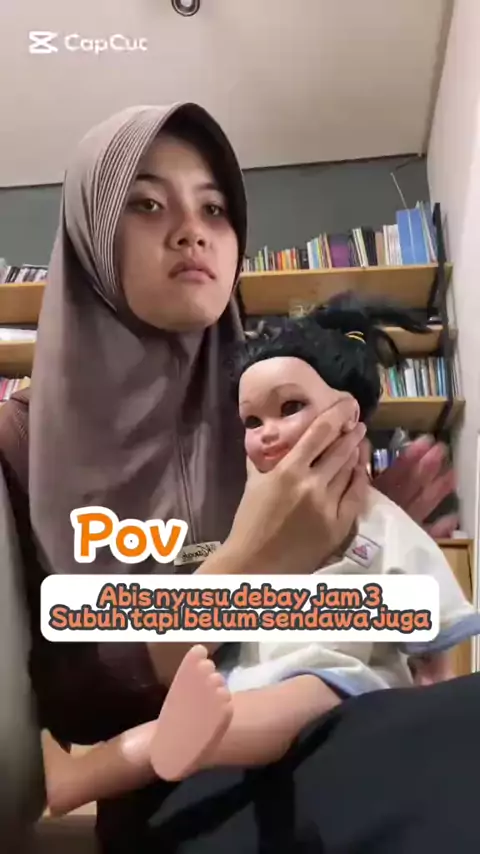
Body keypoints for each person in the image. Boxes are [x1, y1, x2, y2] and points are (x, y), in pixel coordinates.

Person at [0, 101, 470, 852]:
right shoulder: (23, 438)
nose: (192, 230)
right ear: (91, 233)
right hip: (180, 779)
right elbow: (76, 699)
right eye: (146, 203)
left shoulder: (272, 408)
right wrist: (250, 562)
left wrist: (364, 531)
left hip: (347, 717)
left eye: (214, 208)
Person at [223, 294, 480, 696]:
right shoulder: (249, 519)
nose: (267, 432)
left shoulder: (375, 515)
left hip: (337, 674)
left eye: (290, 407)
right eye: (252, 421)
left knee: (299, 696)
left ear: (348, 414)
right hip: (258, 669)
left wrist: (436, 669)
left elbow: (417, 581)